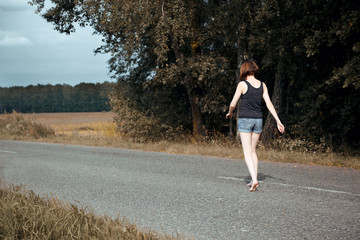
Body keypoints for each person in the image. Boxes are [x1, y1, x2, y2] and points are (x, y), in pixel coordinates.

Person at [226, 60, 285, 192]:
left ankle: (254, 179)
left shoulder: (242, 84)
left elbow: (232, 103)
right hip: (258, 120)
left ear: (244, 70)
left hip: (245, 119)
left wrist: (230, 113)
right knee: (253, 151)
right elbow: (269, 104)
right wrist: (278, 120)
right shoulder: (262, 85)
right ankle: (254, 179)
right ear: (254, 70)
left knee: (247, 152)